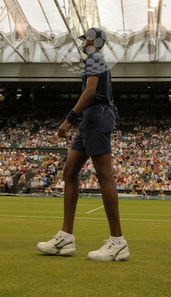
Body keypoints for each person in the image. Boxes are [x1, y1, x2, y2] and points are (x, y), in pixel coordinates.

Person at [37, 28, 128, 261]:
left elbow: (90, 91)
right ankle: (66, 237)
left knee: (104, 176)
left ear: (94, 40)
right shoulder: (95, 59)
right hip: (91, 118)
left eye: (85, 38)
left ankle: (118, 242)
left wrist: (69, 119)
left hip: (97, 116)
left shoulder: (94, 57)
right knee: (69, 172)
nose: (82, 42)